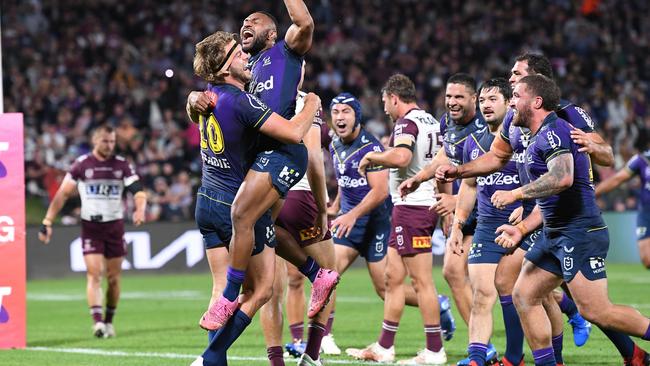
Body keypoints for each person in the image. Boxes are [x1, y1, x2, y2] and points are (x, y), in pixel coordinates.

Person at [435, 54, 650, 365]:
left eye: (516, 75)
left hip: (575, 221)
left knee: (593, 307)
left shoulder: (565, 118)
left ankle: (629, 352)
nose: (510, 79)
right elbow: (496, 158)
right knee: (523, 292)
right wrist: (461, 171)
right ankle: (545, 360)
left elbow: (599, 158)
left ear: (536, 87)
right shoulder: (514, 117)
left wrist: (593, 149)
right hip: (546, 221)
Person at [192, 1, 339, 334]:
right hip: (259, 157)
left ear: (272, 33)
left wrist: (321, 206)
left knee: (242, 215)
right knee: (265, 232)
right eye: (243, 20)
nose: (246, 23)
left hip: (282, 151)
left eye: (254, 21)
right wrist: (192, 99)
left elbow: (304, 23)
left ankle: (229, 296)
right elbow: (216, 89)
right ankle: (319, 274)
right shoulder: (247, 68)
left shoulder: (285, 52)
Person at [489, 75, 650, 366]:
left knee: (597, 311)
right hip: (554, 233)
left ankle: (639, 354)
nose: (510, 102)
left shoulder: (555, 130)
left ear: (536, 101)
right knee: (524, 296)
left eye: (516, 95)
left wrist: (515, 193)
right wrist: (522, 228)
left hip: (580, 232)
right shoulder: (536, 137)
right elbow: (548, 199)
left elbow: (562, 177)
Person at [448, 78, 565, 366]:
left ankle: (547, 354)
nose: (486, 105)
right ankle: (478, 358)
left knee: (538, 295)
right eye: (482, 101)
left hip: (528, 225)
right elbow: (470, 186)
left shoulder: (526, 136)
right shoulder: (473, 143)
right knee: (481, 294)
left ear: (509, 104)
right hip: (488, 227)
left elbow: (545, 180)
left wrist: (527, 207)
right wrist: (458, 224)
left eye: (493, 99)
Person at [398, 73, 497, 364]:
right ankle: (481, 347)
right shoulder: (447, 122)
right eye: (449, 96)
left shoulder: (487, 131)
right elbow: (444, 156)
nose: (452, 102)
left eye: (459, 98)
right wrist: (418, 178)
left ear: (474, 100)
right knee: (453, 272)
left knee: (513, 283)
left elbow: (495, 175)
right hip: (468, 214)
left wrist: (455, 200)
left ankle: (569, 308)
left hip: (493, 211)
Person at [347, 74, 447, 365]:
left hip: (413, 208)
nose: (386, 109)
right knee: (393, 279)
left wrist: (373, 157)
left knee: (422, 282)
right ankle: (384, 347)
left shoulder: (406, 122)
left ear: (393, 98)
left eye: (385, 103)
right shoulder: (428, 119)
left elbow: (403, 158)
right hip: (410, 207)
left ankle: (434, 350)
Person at [38, 124, 147, 338]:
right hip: (91, 227)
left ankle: (108, 321)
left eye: (113, 141)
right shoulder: (82, 165)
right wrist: (47, 220)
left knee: (114, 278)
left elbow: (138, 191)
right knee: (94, 274)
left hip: (115, 226)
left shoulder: (122, 165)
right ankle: (97, 323)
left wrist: (140, 210)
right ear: (95, 141)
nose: (109, 145)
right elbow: (62, 194)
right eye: (105, 141)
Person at [260, 88, 337, 366]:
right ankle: (312, 355)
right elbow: (315, 160)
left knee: (268, 290)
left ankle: (276, 362)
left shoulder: (251, 92)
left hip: (261, 195)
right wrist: (322, 208)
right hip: (300, 194)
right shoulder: (305, 100)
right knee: (328, 276)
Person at [595, 149, 650, 269]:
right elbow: (617, 179)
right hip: (646, 212)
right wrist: (590, 195)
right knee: (647, 259)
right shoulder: (642, 159)